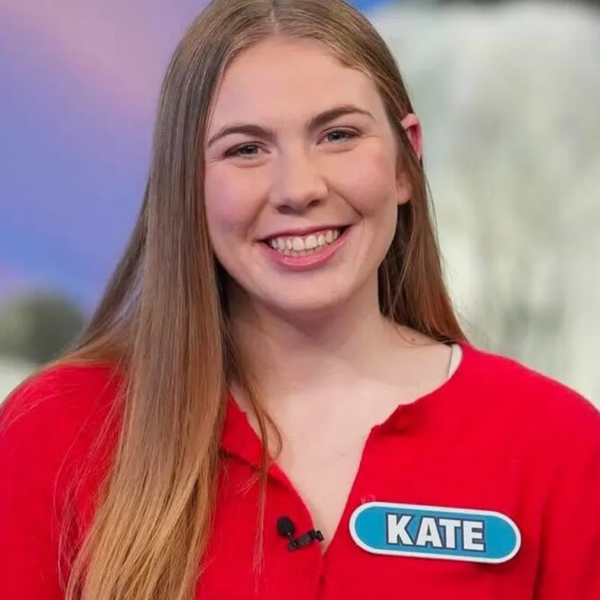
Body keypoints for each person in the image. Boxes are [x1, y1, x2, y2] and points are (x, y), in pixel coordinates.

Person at [1, 0, 599, 598]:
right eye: (246, 149)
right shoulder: (57, 432)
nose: (299, 189)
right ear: (186, 182)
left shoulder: (559, 450)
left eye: (338, 135)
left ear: (405, 160)